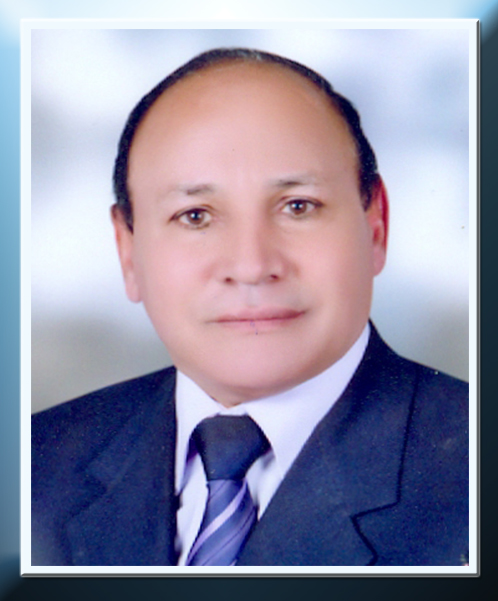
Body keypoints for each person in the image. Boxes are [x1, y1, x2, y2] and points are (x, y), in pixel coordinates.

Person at [31, 48, 469, 567]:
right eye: (195, 216)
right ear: (128, 252)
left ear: (376, 226)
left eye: (298, 207)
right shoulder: (31, 466)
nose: (252, 265)